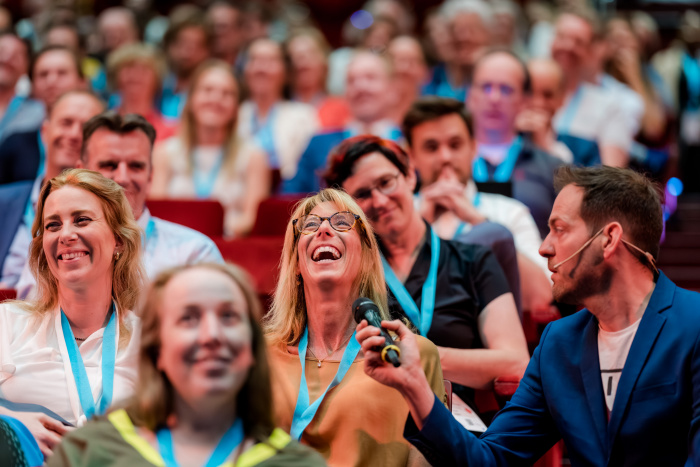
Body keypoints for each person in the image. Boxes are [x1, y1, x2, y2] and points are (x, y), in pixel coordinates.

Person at [356, 165, 700, 466]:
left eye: (560, 229)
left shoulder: (694, 323)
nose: (543, 247)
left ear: (608, 238)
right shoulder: (558, 343)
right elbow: (490, 460)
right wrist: (416, 387)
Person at [47, 263, 326, 467]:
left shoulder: (298, 464)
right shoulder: (88, 453)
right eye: (189, 319)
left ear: (252, 347)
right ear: (158, 350)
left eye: (229, 317)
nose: (212, 336)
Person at [324, 136, 528, 409]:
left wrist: (422, 356)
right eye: (363, 195)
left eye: (386, 182)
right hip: (375, 417)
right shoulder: (349, 274)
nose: (380, 201)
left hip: (457, 421)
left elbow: (515, 361)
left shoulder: (474, 261)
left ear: (409, 175)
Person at [264, 188, 446, 466]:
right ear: (297, 263)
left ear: (365, 257)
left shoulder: (407, 354)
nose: (323, 230)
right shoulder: (259, 353)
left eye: (341, 222)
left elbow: (426, 457)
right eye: (310, 225)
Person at [0, 168, 145, 460]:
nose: (66, 234)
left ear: (118, 239)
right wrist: (9, 423)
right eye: (53, 225)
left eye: (82, 220)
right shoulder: (8, 322)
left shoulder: (150, 340)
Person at [14, 111, 225, 298]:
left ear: (150, 176)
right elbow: (35, 320)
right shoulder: (55, 247)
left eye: (136, 166)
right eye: (109, 165)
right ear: (81, 172)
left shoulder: (194, 253)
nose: (122, 178)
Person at [402, 97, 555, 318]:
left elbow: (541, 297)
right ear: (411, 157)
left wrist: (481, 223)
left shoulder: (509, 212)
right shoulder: (397, 215)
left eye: (455, 145)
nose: (445, 157)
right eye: (431, 147)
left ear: (474, 147)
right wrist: (416, 223)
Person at [152, 61, 271, 238]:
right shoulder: (164, 153)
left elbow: (252, 219)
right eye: (207, 90)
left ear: (236, 108)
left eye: (227, 94)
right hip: (173, 248)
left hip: (230, 250)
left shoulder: (254, 155)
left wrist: (208, 229)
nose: (216, 99)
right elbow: (156, 211)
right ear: (191, 99)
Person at [0, 91, 105, 290]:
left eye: (86, 128)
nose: (74, 134)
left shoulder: (107, 213)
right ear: (44, 132)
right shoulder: (2, 202)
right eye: (66, 123)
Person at [466, 49, 563, 238]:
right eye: (486, 87)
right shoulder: (445, 162)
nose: (494, 98)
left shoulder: (553, 169)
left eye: (505, 89)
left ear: (524, 101)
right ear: (470, 95)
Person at [282, 51, 401, 194]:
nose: (360, 87)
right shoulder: (318, 144)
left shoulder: (411, 142)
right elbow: (287, 201)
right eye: (352, 80)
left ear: (392, 88)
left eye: (371, 78)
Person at [550, 8, 636, 167]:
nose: (567, 46)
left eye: (578, 41)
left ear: (591, 51)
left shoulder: (610, 107)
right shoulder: (528, 94)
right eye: (561, 36)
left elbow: (612, 176)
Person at [0, 45, 86, 185]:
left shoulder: (100, 138)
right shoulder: (15, 144)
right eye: (43, 74)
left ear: (82, 81)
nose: (51, 81)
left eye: (62, 73)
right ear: (32, 86)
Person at [237, 38, 319, 183]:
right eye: (254, 60)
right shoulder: (234, 115)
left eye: (270, 61)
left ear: (286, 72)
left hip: (289, 199)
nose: (261, 68)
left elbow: (310, 169)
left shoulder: (304, 116)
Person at [517, 58, 601, 166]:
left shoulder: (584, 150)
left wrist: (544, 147)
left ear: (562, 98)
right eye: (530, 92)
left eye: (548, 95)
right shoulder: (498, 141)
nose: (538, 103)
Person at [422, 0, 493, 102]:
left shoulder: (497, 71)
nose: (464, 37)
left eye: (472, 30)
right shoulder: (433, 75)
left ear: (487, 34)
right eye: (457, 30)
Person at [105, 43, 176, 142]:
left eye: (143, 70)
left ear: (157, 79)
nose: (135, 76)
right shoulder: (102, 126)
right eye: (128, 69)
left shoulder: (171, 130)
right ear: (115, 77)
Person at [286, 28, 352, 130]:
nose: (303, 59)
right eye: (295, 56)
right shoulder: (276, 110)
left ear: (324, 62)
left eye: (310, 53)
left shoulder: (343, 108)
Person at [160, 15, 212, 120]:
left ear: (206, 51)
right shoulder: (154, 84)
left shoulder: (210, 95)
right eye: (181, 43)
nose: (187, 52)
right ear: (169, 46)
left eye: (194, 45)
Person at [0, 33, 44, 145]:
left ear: (26, 67)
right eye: (2, 51)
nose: (6, 59)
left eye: (16, 55)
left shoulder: (37, 113)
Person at [387, 36, 429, 124]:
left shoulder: (430, 115)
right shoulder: (371, 111)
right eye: (398, 60)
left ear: (424, 70)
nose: (404, 68)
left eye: (411, 62)